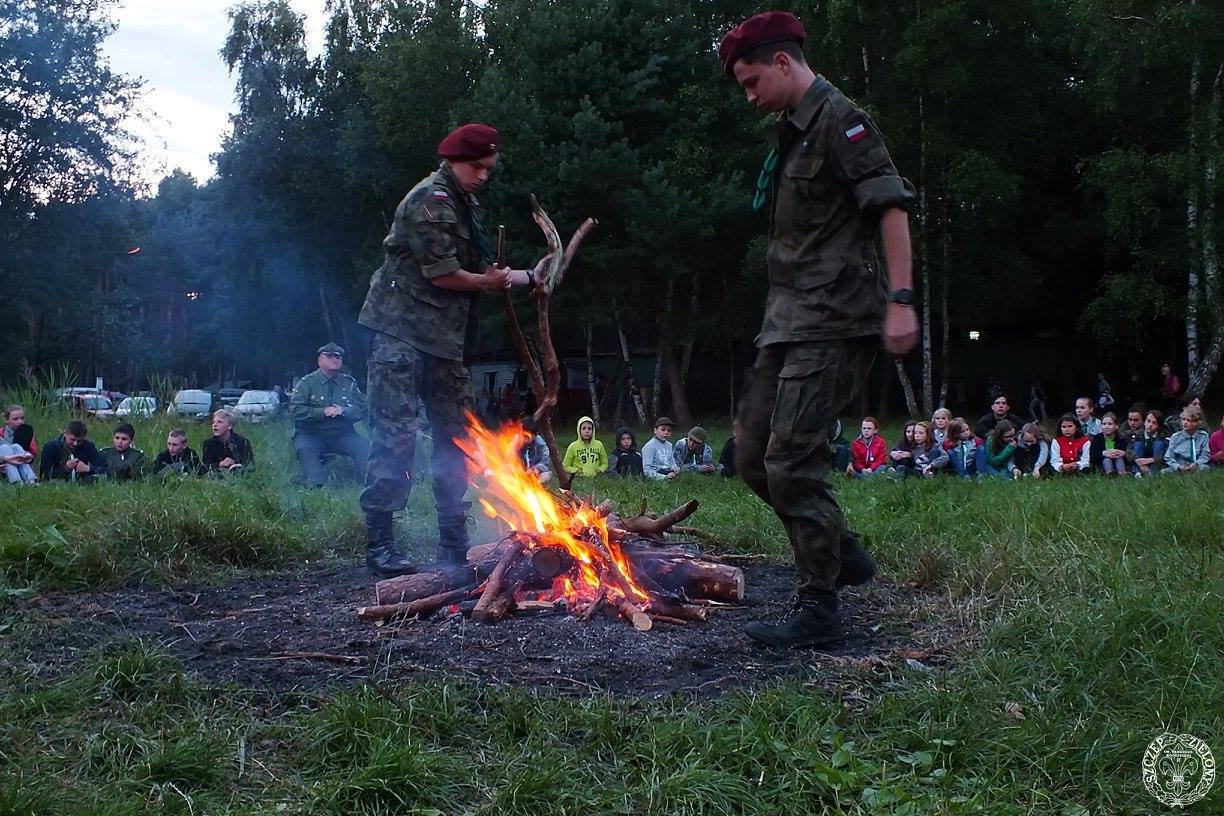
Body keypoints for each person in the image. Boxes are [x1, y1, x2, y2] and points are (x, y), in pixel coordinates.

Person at [722, 11, 911, 646]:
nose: (750, 97)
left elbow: (889, 205)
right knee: (750, 455)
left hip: (833, 319)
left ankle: (819, 609)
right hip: (786, 319)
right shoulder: (793, 131)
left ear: (782, 62)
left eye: (752, 82)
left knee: (791, 462)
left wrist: (902, 300)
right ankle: (840, 550)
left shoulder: (840, 119)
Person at [355, 123, 550, 575]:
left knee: (457, 438)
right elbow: (443, 273)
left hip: (443, 342)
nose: (484, 175)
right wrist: (488, 282)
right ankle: (381, 547)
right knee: (396, 437)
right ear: (453, 160)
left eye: (489, 168)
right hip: (401, 336)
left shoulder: (463, 205)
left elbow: (483, 270)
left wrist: (528, 276)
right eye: (477, 167)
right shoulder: (430, 201)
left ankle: (453, 545)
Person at [291, 342, 371, 488]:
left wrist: (344, 411)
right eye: (329, 356)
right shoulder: (307, 383)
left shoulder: (349, 383)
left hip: (342, 434)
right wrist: (323, 412)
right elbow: (295, 410)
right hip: (311, 434)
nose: (334, 359)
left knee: (363, 446)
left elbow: (363, 408)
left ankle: (367, 485)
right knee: (305, 449)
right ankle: (317, 487)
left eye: (338, 357)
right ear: (319, 361)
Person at [39, 420, 106, 483]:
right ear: (65, 434)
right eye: (72, 440)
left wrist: (88, 468)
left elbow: (105, 469)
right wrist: (65, 468)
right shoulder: (51, 447)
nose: (75, 444)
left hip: (82, 482)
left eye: (79, 441)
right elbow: (44, 476)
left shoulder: (88, 446)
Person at [202, 410, 254, 475]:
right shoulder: (208, 443)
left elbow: (250, 464)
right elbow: (205, 466)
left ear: (229, 426)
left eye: (220, 422)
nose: (215, 425)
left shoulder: (242, 441)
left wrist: (235, 465)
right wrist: (220, 464)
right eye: (213, 422)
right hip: (217, 475)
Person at [1162, 405, 1210, 474]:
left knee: (1205, 468)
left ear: (1196, 422)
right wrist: (1178, 467)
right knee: (1164, 472)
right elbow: (1169, 457)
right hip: (1179, 466)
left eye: (1188, 420)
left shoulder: (1203, 436)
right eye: (1183, 419)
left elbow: (1205, 455)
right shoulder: (1175, 437)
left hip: (1196, 466)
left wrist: (1196, 464)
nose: (1184, 422)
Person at [1, 405, 37, 484]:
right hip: (3, 468)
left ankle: (29, 480)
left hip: (22, 466)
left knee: (16, 447)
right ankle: (18, 482)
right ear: (6, 420)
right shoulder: (1, 434)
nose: (20, 422)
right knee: (5, 447)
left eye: (22, 418)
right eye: (15, 419)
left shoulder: (27, 433)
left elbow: (33, 456)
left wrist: (28, 456)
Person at [1127, 410, 1167, 477]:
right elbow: (1129, 452)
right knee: (1138, 444)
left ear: (1158, 426)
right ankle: (1138, 472)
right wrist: (1140, 461)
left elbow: (1167, 453)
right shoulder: (1137, 435)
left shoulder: (1163, 436)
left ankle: (1153, 472)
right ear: (1144, 422)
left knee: (1159, 444)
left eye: (1154, 423)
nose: (1150, 425)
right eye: (1148, 421)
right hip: (1139, 461)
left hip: (1155, 461)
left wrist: (1152, 460)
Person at [1089, 412, 1127, 476]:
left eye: (1110, 424)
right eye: (1104, 424)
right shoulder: (1097, 438)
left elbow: (1128, 455)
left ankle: (1122, 473)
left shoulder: (1121, 438)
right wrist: (1104, 453)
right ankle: (1110, 473)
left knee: (1119, 460)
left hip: (1118, 460)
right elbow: (1092, 456)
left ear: (1116, 426)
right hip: (1102, 463)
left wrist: (1123, 453)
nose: (1106, 427)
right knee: (1107, 459)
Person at [520, 418, 553, 483]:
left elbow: (544, 464)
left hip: (534, 475)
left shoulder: (541, 446)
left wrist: (534, 470)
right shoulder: (515, 443)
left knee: (546, 475)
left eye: (528, 437)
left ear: (535, 435)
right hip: (519, 474)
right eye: (524, 436)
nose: (525, 440)